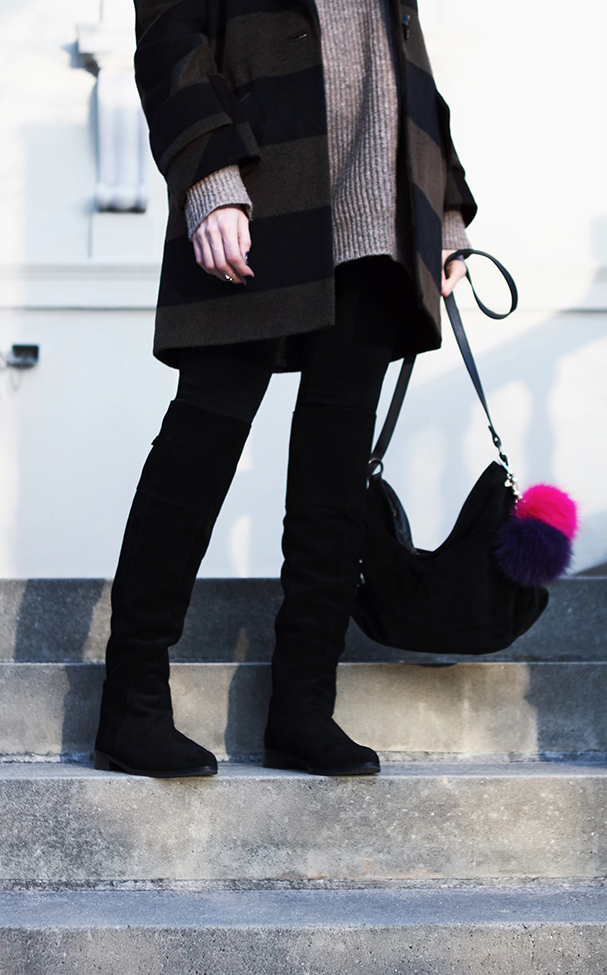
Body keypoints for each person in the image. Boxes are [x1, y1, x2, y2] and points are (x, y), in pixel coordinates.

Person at [94, 0, 476, 778]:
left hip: (379, 210)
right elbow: (169, 33)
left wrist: (447, 206)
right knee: (205, 433)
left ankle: (304, 705)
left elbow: (407, 56)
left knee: (336, 468)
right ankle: (131, 699)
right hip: (262, 186)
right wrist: (208, 170)